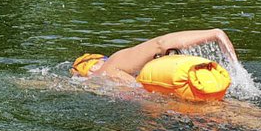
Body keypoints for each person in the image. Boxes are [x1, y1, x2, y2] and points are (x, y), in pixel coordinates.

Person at [72, 29, 240, 86]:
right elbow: (161, 43)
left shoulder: (94, 84)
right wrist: (214, 34)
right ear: (95, 65)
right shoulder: (112, 65)